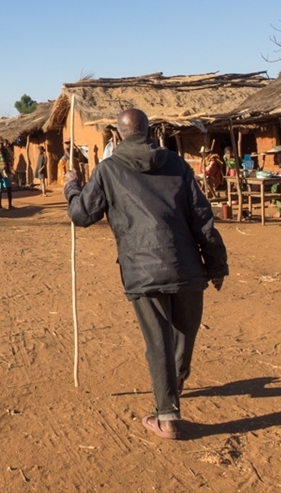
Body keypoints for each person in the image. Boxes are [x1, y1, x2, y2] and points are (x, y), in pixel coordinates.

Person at [64, 108, 228, 440]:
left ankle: (167, 417)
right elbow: (201, 215)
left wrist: (71, 187)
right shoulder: (177, 164)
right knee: (184, 333)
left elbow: (81, 215)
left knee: (159, 342)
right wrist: (216, 263)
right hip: (187, 267)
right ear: (150, 132)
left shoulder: (109, 169)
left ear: (117, 136)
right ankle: (176, 379)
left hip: (142, 270)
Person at [0, 136, 14, 210]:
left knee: (9, 187)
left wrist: (9, 171)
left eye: (1, 143)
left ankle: (10, 205)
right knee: (0, 189)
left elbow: (8, 161)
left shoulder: (5, 150)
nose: (0, 145)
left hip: (5, 172)